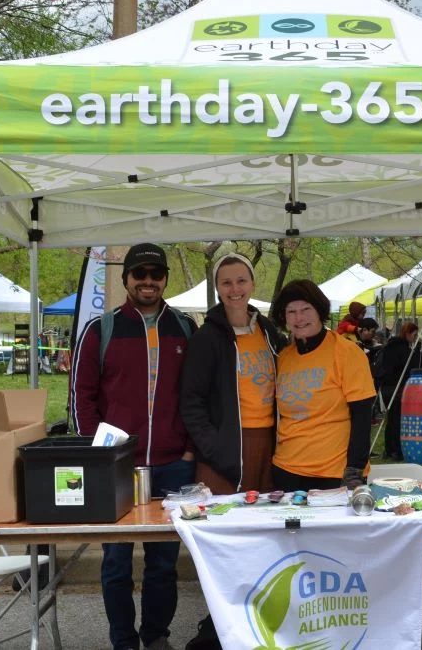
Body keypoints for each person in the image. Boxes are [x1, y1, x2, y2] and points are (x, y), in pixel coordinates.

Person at [69, 242, 197, 650]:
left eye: (155, 274)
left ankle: (156, 636)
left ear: (164, 280)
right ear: (126, 279)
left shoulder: (185, 327)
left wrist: (190, 449)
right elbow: (81, 395)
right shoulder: (101, 329)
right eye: (139, 274)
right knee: (116, 563)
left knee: (163, 564)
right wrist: (97, 452)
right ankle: (123, 641)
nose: (147, 281)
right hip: (117, 466)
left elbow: (198, 394)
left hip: (174, 464)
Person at [179, 253, 283, 650]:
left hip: (268, 446)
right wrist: (212, 447)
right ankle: (217, 626)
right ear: (218, 289)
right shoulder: (207, 338)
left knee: (264, 537)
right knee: (222, 541)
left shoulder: (269, 331)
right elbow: (191, 401)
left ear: (252, 284)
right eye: (227, 283)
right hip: (225, 450)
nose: (235, 289)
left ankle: (257, 623)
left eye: (241, 281)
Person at [270, 279, 375, 491]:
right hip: (286, 471)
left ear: (319, 310)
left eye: (306, 309)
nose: (299, 318)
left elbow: (362, 416)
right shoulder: (283, 358)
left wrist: (354, 469)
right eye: (291, 311)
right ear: (284, 317)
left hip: (334, 474)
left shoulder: (347, 353)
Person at [374, 321, 421, 462]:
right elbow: (409, 368)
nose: (415, 337)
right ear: (407, 333)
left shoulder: (389, 346)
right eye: (414, 334)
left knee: (391, 419)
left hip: (387, 387)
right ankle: (396, 450)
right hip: (397, 387)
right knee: (397, 420)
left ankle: (389, 449)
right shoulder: (404, 350)